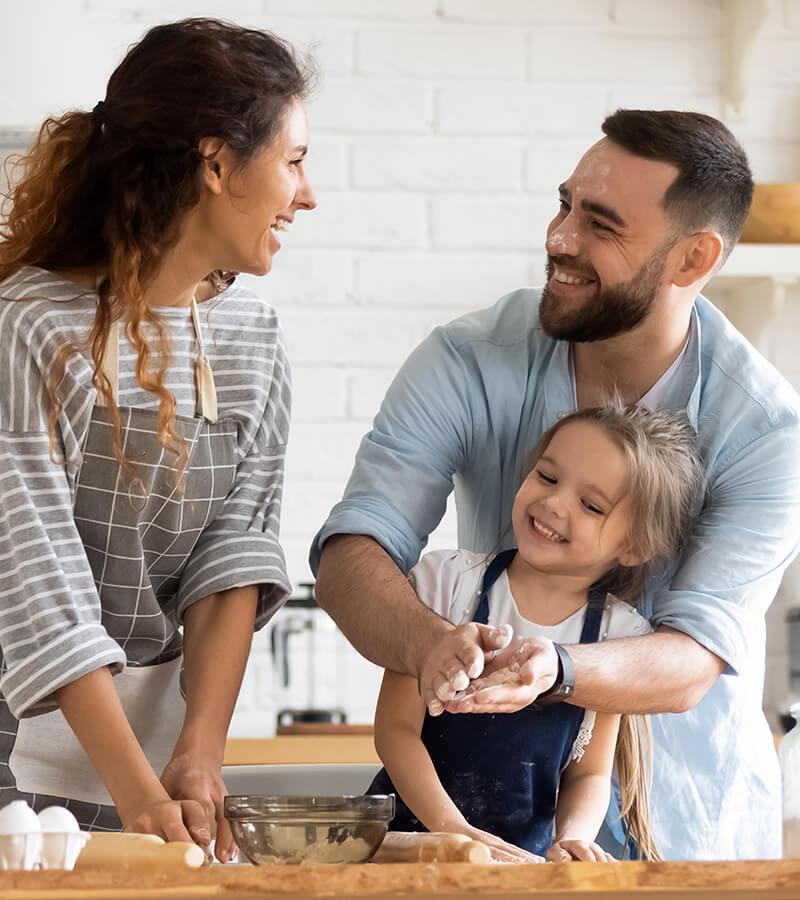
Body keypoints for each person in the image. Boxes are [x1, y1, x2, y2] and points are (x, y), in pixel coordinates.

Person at [312, 110, 800, 859]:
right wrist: (431, 643)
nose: (560, 238)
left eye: (601, 224)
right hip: (483, 826)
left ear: (692, 259)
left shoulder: (767, 429)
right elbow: (356, 549)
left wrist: (557, 664)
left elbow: (694, 656)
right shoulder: (467, 358)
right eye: (565, 204)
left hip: (692, 821)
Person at [0, 18, 316, 861]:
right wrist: (140, 792)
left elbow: (234, 552)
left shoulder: (253, 335)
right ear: (215, 164)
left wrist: (198, 757)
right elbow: (39, 582)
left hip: (156, 768)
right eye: (294, 161)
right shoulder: (30, 327)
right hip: (16, 760)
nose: (307, 194)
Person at [368, 404, 701, 863]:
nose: (554, 502)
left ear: (632, 547)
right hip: (405, 850)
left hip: (522, 868)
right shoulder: (445, 583)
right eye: (547, 478)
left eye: (590, 505)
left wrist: (573, 839)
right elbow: (395, 730)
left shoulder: (616, 637)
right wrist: (454, 832)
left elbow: (589, 774)